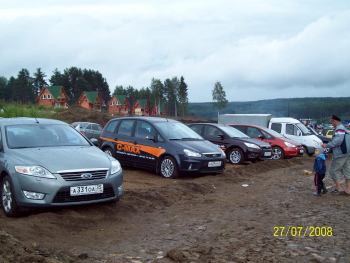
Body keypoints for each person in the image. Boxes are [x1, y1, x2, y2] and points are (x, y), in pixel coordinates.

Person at [322, 115, 350, 194]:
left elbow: (338, 141)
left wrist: (326, 145)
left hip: (341, 153)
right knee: (347, 170)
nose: (331, 123)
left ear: (335, 121)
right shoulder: (344, 128)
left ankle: (338, 188)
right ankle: (348, 189)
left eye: (331, 121)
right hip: (346, 152)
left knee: (333, 171)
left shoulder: (339, 128)